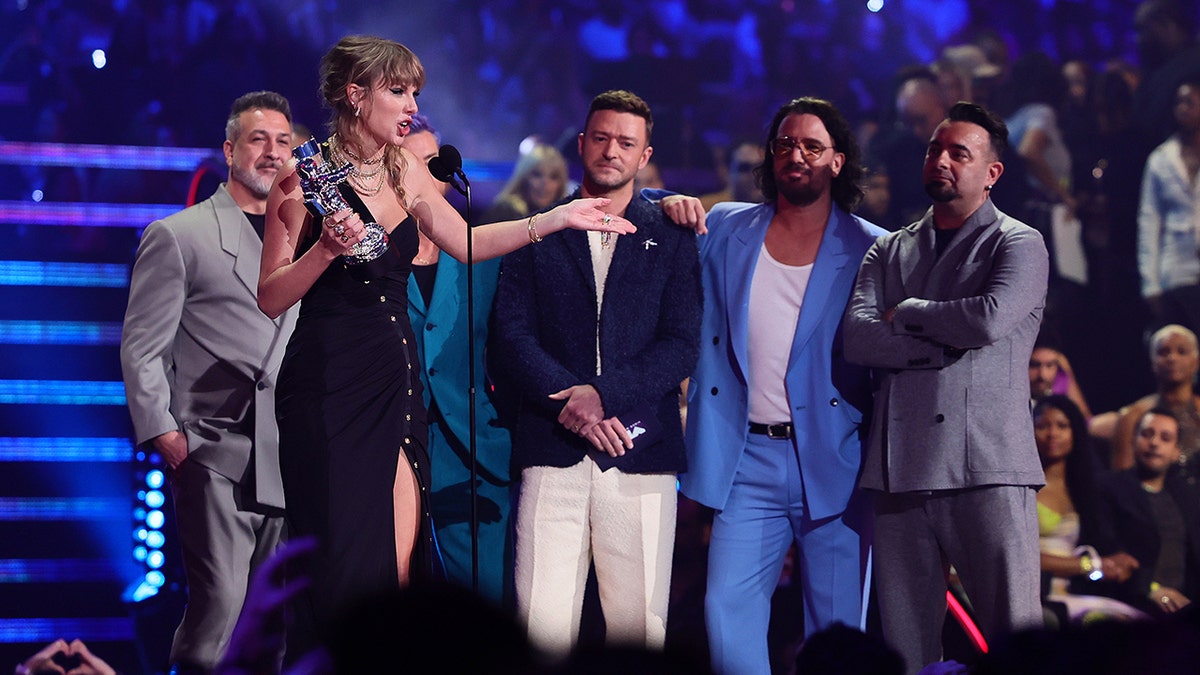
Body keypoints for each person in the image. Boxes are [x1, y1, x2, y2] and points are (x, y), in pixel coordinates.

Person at [255, 36, 634, 657]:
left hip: (394, 378)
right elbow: (271, 297)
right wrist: (325, 250)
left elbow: (468, 242)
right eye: (397, 90)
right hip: (327, 387)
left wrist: (557, 220)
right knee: (341, 567)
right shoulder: (304, 179)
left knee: (400, 566)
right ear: (356, 95)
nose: (410, 105)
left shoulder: (405, 171)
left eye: (415, 93)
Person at [491, 89, 703, 658]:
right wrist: (571, 406)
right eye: (602, 138)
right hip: (551, 450)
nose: (612, 151)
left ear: (644, 154)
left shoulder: (674, 234)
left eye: (626, 143)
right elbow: (511, 335)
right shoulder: (535, 229)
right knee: (539, 631)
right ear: (582, 144)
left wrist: (603, 397)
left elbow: (682, 344)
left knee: (640, 633)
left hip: (641, 454)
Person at [843, 102, 1049, 674]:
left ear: (992, 172)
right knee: (906, 653)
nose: (943, 160)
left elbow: (986, 319)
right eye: (937, 149)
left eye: (961, 153)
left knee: (1018, 644)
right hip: (901, 470)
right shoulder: (890, 246)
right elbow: (858, 339)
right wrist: (937, 340)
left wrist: (906, 310)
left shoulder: (1019, 242)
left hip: (988, 465)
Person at [680, 97, 883, 675]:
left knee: (840, 630)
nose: (796, 155)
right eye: (785, 144)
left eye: (812, 146)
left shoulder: (874, 246)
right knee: (727, 611)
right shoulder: (725, 225)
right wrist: (670, 200)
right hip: (745, 457)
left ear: (838, 161)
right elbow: (653, 225)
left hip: (837, 460)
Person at [120, 90, 296, 674]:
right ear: (229, 150)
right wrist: (168, 436)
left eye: (282, 141)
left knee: (276, 618)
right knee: (219, 604)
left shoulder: (310, 233)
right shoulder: (180, 235)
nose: (271, 153)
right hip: (214, 447)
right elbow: (143, 346)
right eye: (257, 139)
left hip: (286, 449)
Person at [402, 114, 514, 605]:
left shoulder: (485, 256)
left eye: (435, 162)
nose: (430, 175)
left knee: (481, 618)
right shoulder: (359, 259)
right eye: (411, 163)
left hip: (470, 454)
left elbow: (513, 354)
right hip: (389, 451)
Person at [1032, 396, 1144, 626]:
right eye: (1043, 426)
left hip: (1072, 591)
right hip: (1035, 593)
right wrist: (1090, 565)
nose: (1052, 434)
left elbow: (1103, 543)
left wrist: (1115, 563)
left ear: (1076, 431)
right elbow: (1017, 555)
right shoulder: (1025, 490)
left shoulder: (1084, 488)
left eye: (1062, 426)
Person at [1101, 409, 1200, 616]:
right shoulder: (1111, 488)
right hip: (1131, 603)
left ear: (1175, 451)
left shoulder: (1187, 496)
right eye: (1147, 434)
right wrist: (1150, 590)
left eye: (1165, 438)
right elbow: (1108, 548)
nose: (1154, 443)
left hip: (1184, 607)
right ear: (1133, 440)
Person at [1137, 78, 1200, 333]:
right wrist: (1150, 284)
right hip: (1175, 270)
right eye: (1179, 102)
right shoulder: (1161, 159)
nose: (1183, 108)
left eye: (1191, 102)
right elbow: (1149, 221)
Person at [1109, 324, 1200, 472]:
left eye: (1181, 351)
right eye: (1164, 352)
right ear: (1152, 362)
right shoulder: (1132, 417)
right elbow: (1122, 484)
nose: (1172, 358)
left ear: (1196, 362)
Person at [479, 143, 570, 224]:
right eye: (537, 175)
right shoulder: (505, 211)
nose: (545, 183)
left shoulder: (564, 219)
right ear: (523, 178)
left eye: (553, 177)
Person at [698, 139, 767, 211]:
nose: (755, 175)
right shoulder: (705, 208)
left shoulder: (775, 210)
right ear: (726, 172)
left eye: (760, 167)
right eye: (745, 168)